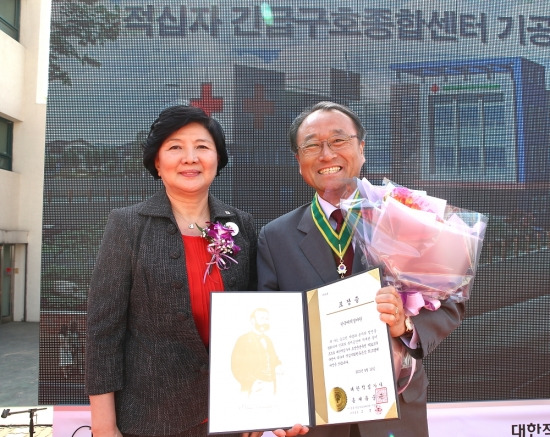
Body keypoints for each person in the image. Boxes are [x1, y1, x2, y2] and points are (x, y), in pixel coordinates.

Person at [256, 101, 465, 437]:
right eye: (311, 145)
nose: (326, 154)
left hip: (395, 409)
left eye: (339, 141)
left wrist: (405, 324)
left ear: (361, 148)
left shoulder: (409, 214)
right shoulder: (274, 237)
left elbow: (452, 302)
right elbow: (268, 329)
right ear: (299, 161)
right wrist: (277, 407)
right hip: (315, 418)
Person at [85, 105, 257, 437]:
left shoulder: (241, 225)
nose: (190, 157)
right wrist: (104, 425)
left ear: (218, 159)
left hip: (231, 417)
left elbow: (259, 316)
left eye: (202, 147)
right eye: (175, 147)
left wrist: (259, 409)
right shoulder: (128, 226)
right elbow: (102, 334)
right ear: (157, 163)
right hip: (150, 422)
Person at [231, 308, 282, 408]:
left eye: (267, 318)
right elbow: (236, 366)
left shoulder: (268, 339)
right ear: (253, 320)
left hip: (270, 384)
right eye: (262, 318)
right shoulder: (243, 340)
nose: (265, 321)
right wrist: (252, 381)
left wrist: (279, 364)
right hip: (253, 387)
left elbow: (273, 358)